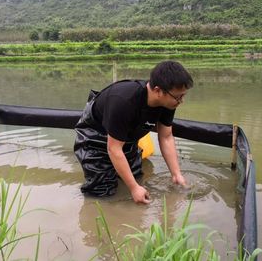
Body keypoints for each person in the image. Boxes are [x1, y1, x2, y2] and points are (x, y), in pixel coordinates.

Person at [74, 60, 193, 204]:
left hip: (126, 138)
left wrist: (176, 174)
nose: (181, 101)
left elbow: (166, 137)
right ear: (158, 90)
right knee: (102, 191)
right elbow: (114, 148)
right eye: (178, 97)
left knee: (136, 177)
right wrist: (134, 188)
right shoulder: (124, 101)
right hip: (96, 137)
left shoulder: (168, 102)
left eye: (183, 96)